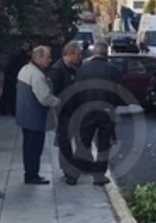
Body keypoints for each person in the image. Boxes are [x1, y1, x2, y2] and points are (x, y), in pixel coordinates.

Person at [73, 44, 124, 186]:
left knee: (83, 143)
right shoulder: (113, 70)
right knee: (104, 144)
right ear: (105, 53)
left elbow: (76, 90)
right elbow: (119, 92)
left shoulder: (82, 70)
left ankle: (73, 174)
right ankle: (99, 175)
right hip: (106, 110)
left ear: (94, 53)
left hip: (86, 110)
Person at [15, 46, 58, 184]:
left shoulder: (25, 70)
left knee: (28, 147)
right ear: (39, 58)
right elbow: (45, 98)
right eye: (47, 57)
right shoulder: (37, 75)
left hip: (25, 116)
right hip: (34, 117)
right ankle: (32, 175)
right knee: (34, 148)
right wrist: (58, 101)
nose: (50, 60)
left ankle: (30, 173)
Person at [50, 41, 84, 184]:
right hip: (64, 111)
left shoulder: (73, 68)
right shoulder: (57, 70)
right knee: (65, 141)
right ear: (69, 54)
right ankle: (69, 171)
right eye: (78, 54)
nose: (80, 57)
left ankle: (75, 167)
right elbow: (55, 93)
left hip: (75, 110)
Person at [0, 40, 31, 116]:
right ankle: (11, 110)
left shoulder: (20, 54)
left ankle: (2, 109)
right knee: (12, 93)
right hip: (12, 75)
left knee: (8, 93)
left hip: (11, 75)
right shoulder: (20, 54)